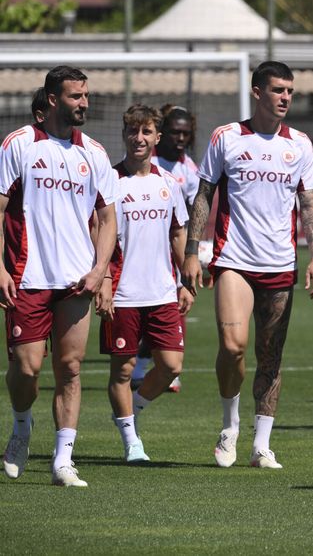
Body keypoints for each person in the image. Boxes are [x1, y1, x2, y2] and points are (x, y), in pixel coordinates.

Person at [181, 60, 313, 470]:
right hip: (233, 261)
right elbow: (204, 194)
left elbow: (309, 205)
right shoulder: (227, 137)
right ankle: (230, 426)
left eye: (290, 91)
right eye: (278, 90)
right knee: (233, 347)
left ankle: (261, 444)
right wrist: (193, 251)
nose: (285, 98)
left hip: (280, 264)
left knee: (270, 356)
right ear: (257, 92)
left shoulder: (299, 144)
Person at [1, 65, 119, 487]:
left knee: (70, 368)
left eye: (86, 96)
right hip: (27, 276)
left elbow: (108, 219)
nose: (84, 103)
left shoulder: (95, 153)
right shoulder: (18, 145)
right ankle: (20, 427)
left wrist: (99, 271)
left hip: (76, 280)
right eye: (75, 96)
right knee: (27, 368)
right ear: (53, 99)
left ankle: (63, 461)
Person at [101, 104, 194, 462]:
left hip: (162, 291)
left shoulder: (168, 183)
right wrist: (104, 280)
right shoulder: (109, 181)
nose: (138, 138)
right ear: (124, 135)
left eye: (146, 132)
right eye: (132, 131)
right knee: (122, 370)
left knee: (171, 366)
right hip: (123, 292)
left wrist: (186, 280)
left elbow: (178, 232)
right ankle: (131, 443)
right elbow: (97, 236)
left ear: (157, 137)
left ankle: (133, 411)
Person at [133, 104, 200, 393]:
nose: (181, 138)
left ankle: (164, 367)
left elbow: (195, 212)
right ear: (162, 135)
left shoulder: (190, 169)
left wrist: (195, 251)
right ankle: (134, 364)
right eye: (175, 132)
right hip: (141, 243)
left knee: (171, 304)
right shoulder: (147, 158)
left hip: (170, 246)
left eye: (186, 133)